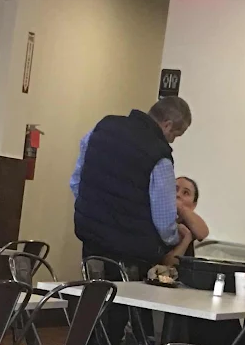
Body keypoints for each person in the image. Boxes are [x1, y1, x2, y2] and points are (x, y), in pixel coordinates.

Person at [70, 97, 192, 272]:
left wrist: (92, 211)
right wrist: (174, 238)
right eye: (175, 135)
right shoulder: (159, 155)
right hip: (131, 252)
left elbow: (76, 181)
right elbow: (164, 221)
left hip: (91, 239)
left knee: (94, 286)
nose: (172, 141)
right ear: (167, 125)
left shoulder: (103, 126)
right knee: (123, 290)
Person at [167, 176, 209, 261]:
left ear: (194, 205)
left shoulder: (189, 222)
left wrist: (180, 207)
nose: (178, 195)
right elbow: (168, 263)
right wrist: (186, 238)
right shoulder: (158, 220)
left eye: (186, 193)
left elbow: (203, 233)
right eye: (175, 189)